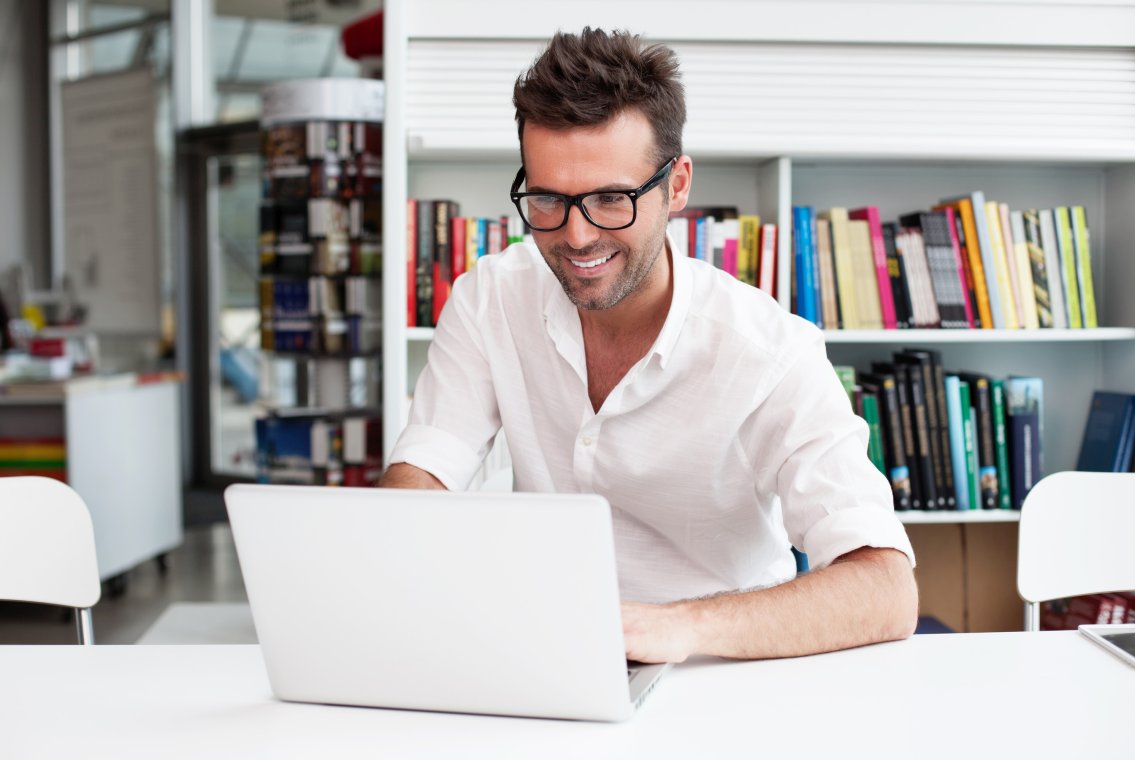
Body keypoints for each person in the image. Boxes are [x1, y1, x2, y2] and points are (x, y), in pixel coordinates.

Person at [380, 28, 917, 663]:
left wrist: (670, 629)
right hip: (542, 660)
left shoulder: (770, 353)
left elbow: (886, 589)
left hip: (725, 677)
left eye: (612, 198)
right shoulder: (492, 298)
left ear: (677, 185)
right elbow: (422, 472)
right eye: (549, 199)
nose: (577, 237)